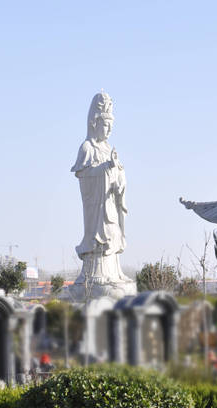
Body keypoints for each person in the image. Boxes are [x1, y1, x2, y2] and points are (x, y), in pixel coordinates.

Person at [71, 91, 131, 286]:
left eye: (111, 125)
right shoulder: (87, 148)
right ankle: (95, 273)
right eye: (106, 125)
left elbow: (118, 177)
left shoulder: (109, 149)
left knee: (114, 233)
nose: (109, 130)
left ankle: (115, 272)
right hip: (96, 208)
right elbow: (83, 176)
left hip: (110, 204)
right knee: (102, 237)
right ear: (94, 123)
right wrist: (106, 168)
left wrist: (119, 178)